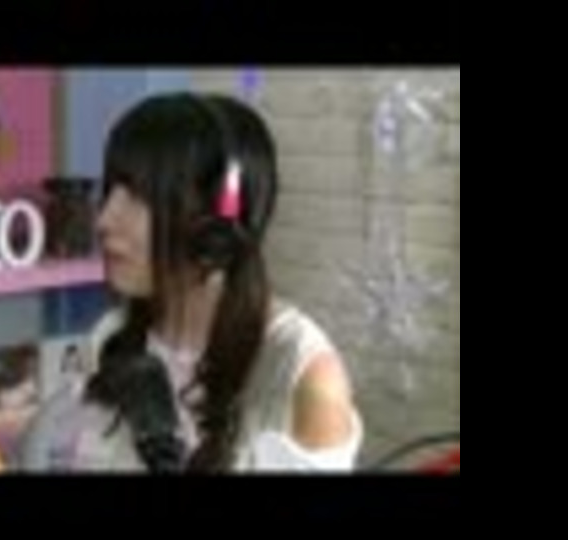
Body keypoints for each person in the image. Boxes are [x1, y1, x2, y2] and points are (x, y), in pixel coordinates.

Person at [20, 92, 364, 472]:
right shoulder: (110, 337)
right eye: (112, 189)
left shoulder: (303, 379)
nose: (104, 220)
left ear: (216, 228)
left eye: (138, 195)